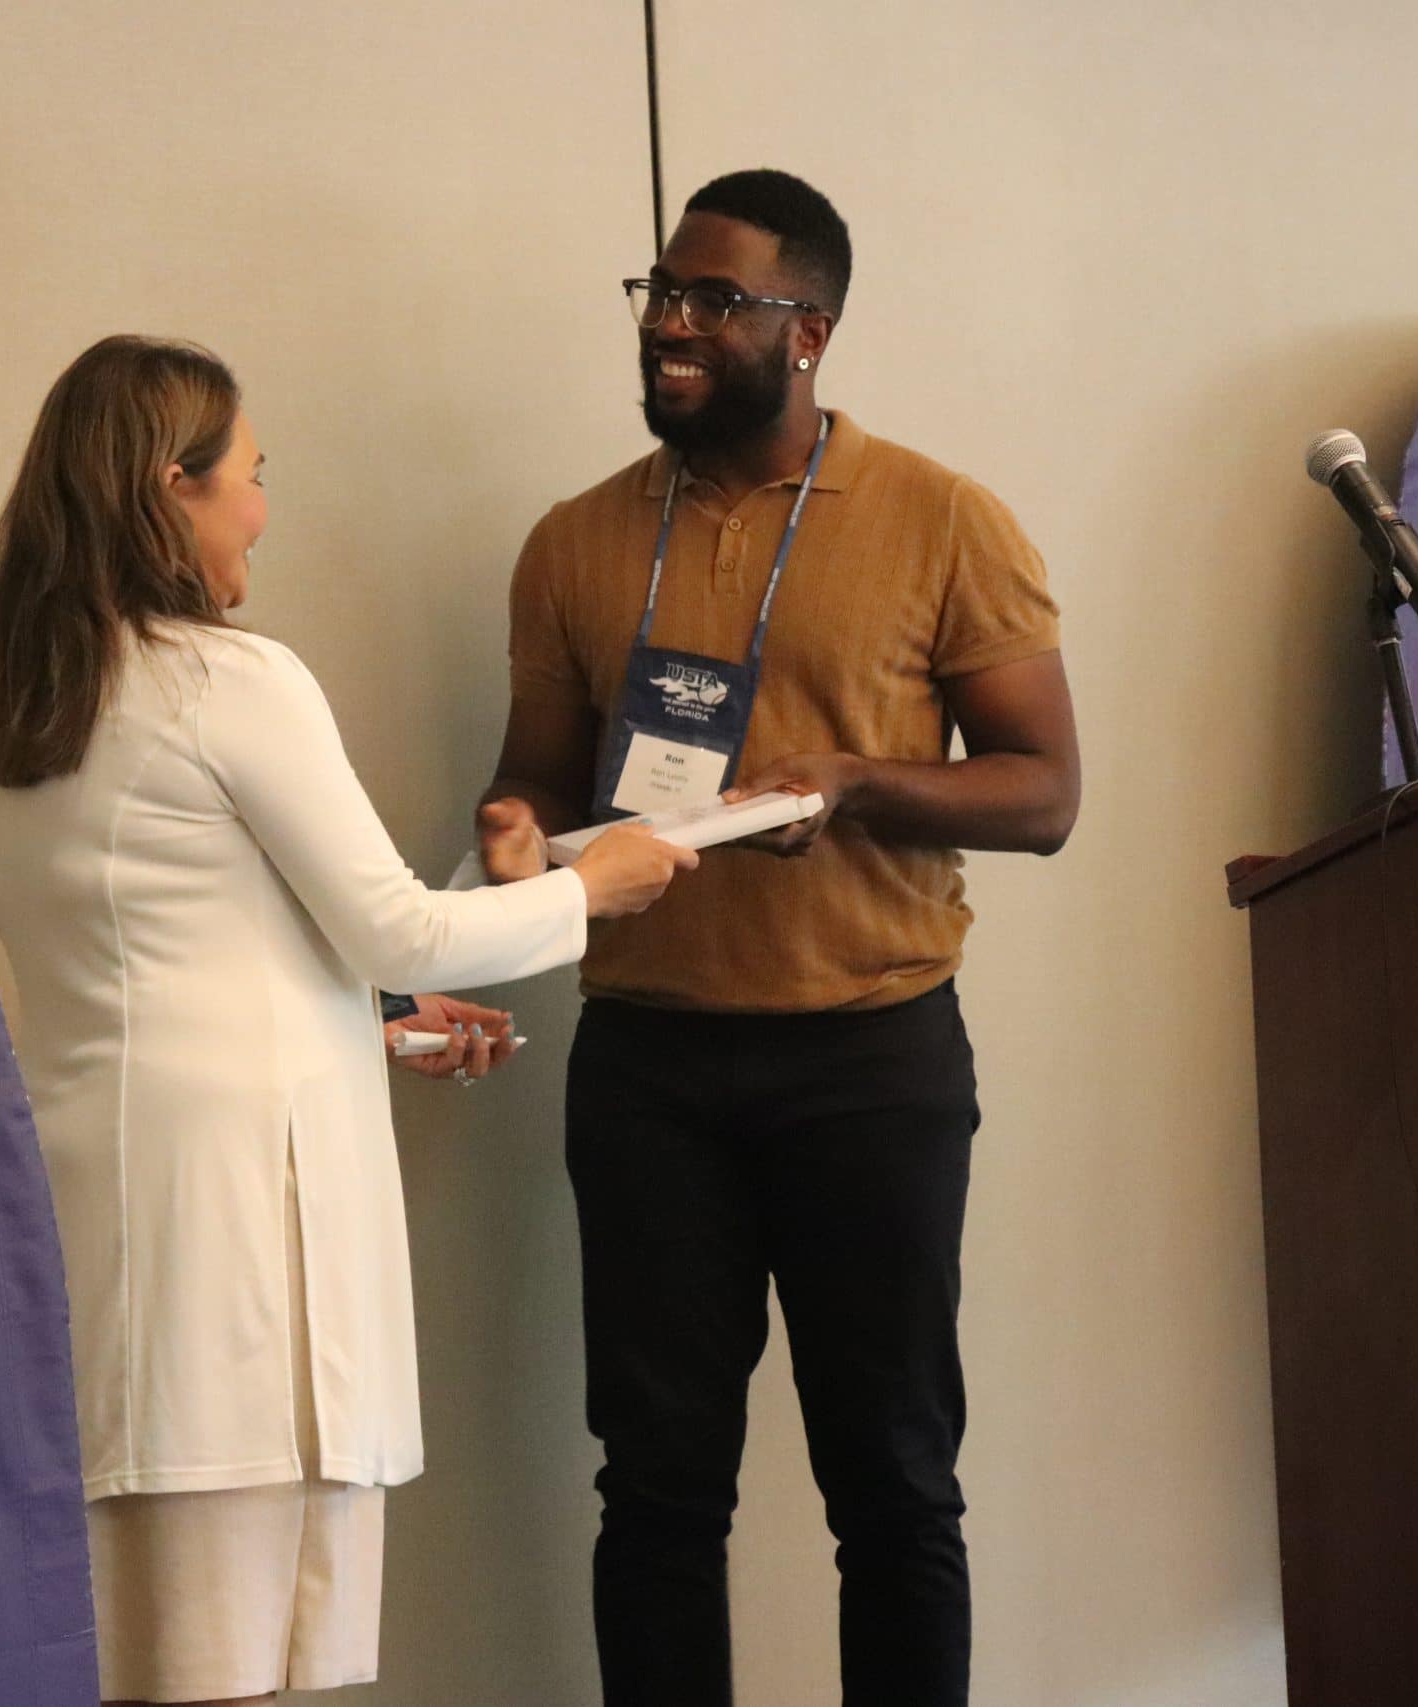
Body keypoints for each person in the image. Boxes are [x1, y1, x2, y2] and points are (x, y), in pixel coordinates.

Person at [0, 335, 693, 1707]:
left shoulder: (38, 706)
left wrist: (383, 1024)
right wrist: (593, 887)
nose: (262, 509)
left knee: (143, 1664)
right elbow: (397, 932)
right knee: (220, 1672)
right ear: (170, 488)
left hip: (117, 1242)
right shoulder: (226, 683)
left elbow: (177, 974)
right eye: (250, 475)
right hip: (232, 1262)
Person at [477, 172, 1081, 1705]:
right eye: (660, 295)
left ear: (808, 331)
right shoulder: (576, 541)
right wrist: (510, 834)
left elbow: (1043, 793)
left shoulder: (941, 519)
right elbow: (536, 777)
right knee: (657, 1487)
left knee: (894, 1483)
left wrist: (861, 785)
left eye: (713, 301)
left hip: (869, 1061)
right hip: (650, 1069)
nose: (669, 326)